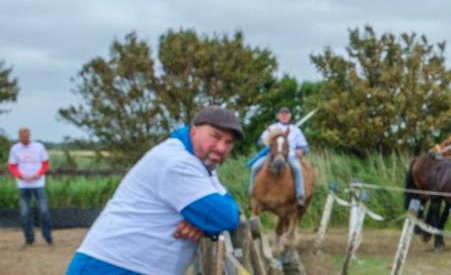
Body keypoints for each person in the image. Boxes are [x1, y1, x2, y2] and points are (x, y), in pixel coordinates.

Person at [67, 106, 243, 275]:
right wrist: (207, 221)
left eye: (228, 142)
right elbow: (225, 217)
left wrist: (202, 224)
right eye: (215, 136)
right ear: (193, 130)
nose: (221, 148)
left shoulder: (203, 165)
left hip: (131, 266)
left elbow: (226, 210)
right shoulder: (178, 163)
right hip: (112, 267)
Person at [248, 106, 309, 208]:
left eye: (286, 114)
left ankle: (300, 196)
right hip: (272, 155)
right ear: (278, 116)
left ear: (290, 116)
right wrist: (267, 141)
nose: (284, 116)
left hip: (290, 155)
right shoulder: (272, 128)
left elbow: (304, 146)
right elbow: (260, 141)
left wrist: (301, 151)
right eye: (282, 114)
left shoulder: (296, 130)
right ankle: (252, 195)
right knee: (255, 167)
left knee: (297, 169)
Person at [7, 127, 53, 247]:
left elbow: (45, 163)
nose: (24, 139)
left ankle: (47, 237)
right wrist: (20, 176)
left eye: (26, 136)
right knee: (25, 212)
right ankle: (29, 239)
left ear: (29, 136)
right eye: (22, 137)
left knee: (44, 211)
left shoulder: (39, 147)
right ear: (19, 137)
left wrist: (38, 174)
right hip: (23, 185)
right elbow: (12, 165)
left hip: (38, 184)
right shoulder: (15, 149)